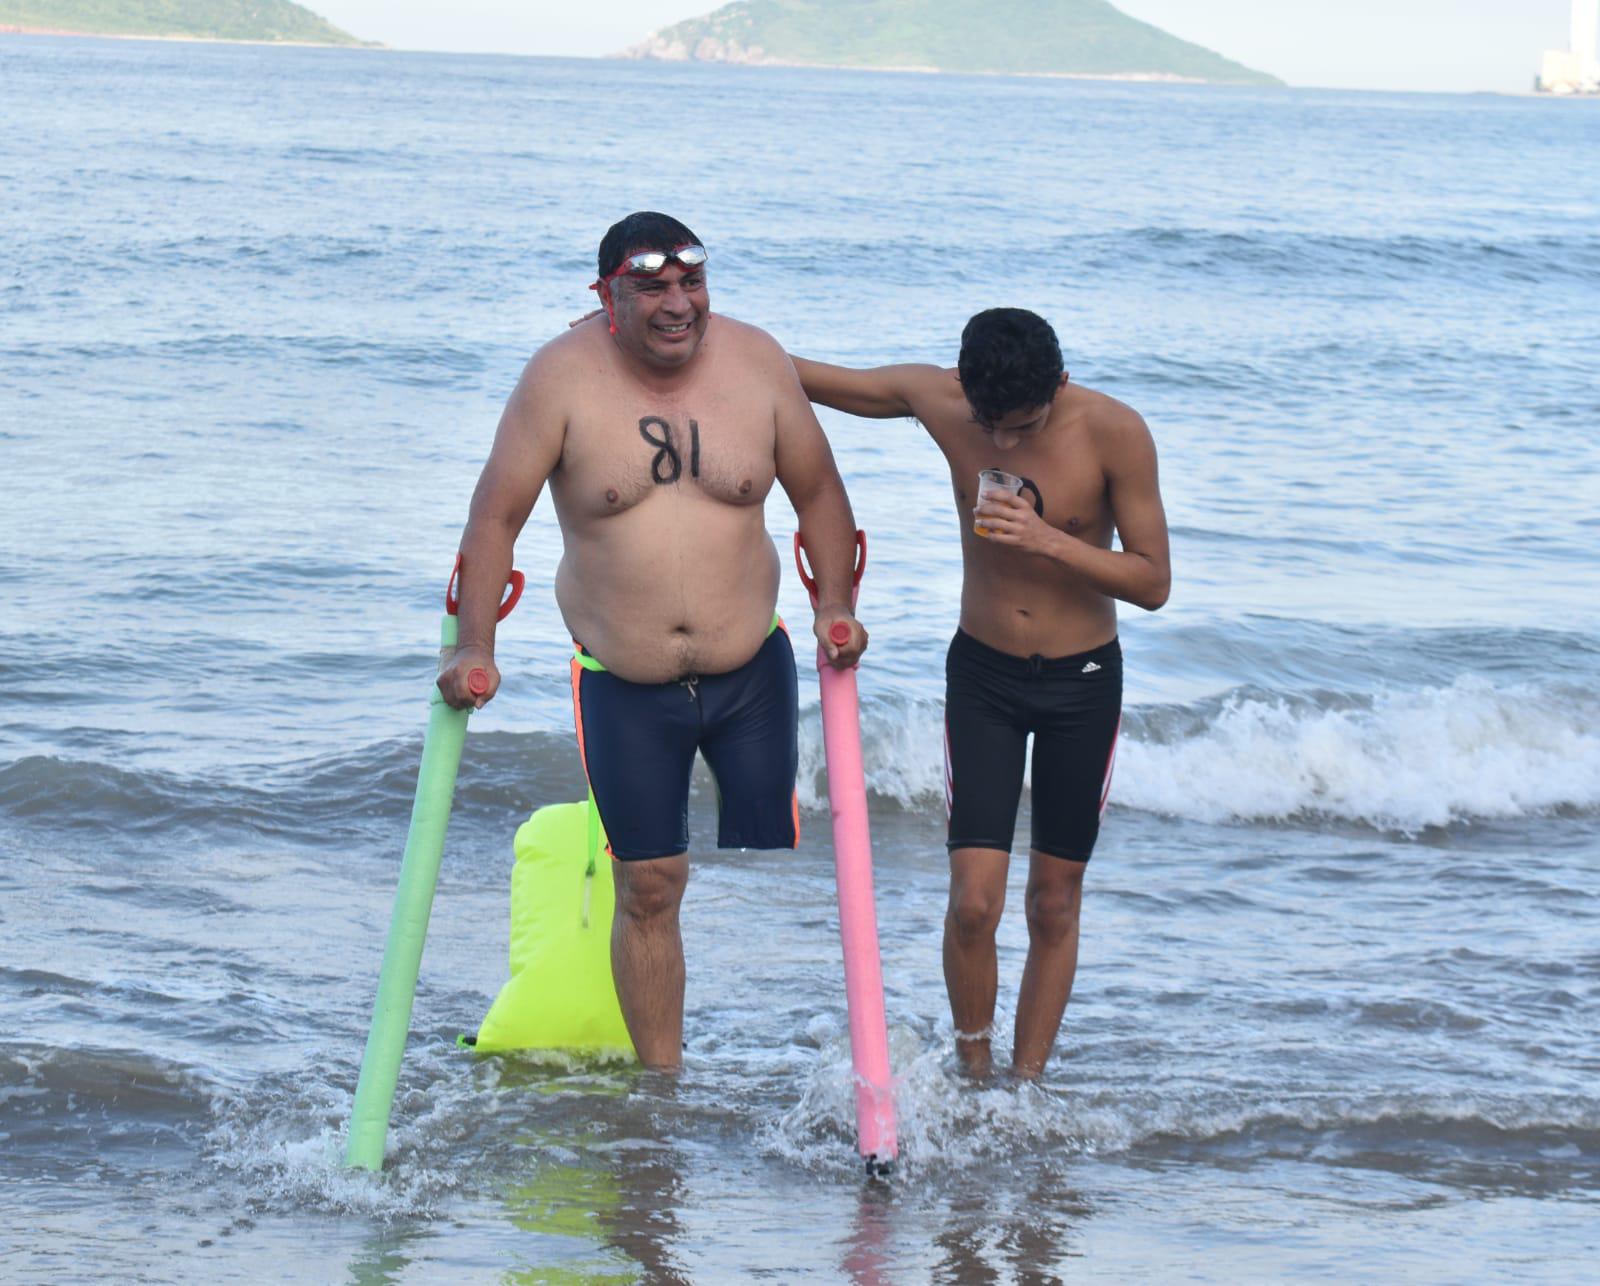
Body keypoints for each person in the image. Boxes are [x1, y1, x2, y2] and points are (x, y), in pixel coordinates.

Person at [438, 212, 867, 1071]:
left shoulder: (758, 363)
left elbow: (819, 491)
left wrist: (835, 605)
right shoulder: (558, 379)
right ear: (608, 297)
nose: (678, 303)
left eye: (691, 283)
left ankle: (837, 1058)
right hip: (623, 680)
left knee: (796, 862)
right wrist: (472, 646)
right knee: (649, 885)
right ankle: (663, 1086)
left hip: (752, 672)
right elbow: (495, 517)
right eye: (652, 288)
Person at [791, 308, 1170, 1079]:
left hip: (1082, 683)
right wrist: (653, 328)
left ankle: (1025, 1086)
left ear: (1059, 386)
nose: (1000, 442)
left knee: (1052, 902)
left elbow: (1153, 581)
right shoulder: (944, 402)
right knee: (973, 903)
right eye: (988, 425)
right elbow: (803, 376)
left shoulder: (1115, 431)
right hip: (985, 677)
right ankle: (974, 1074)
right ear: (965, 387)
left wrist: (1047, 540)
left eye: (1020, 426)